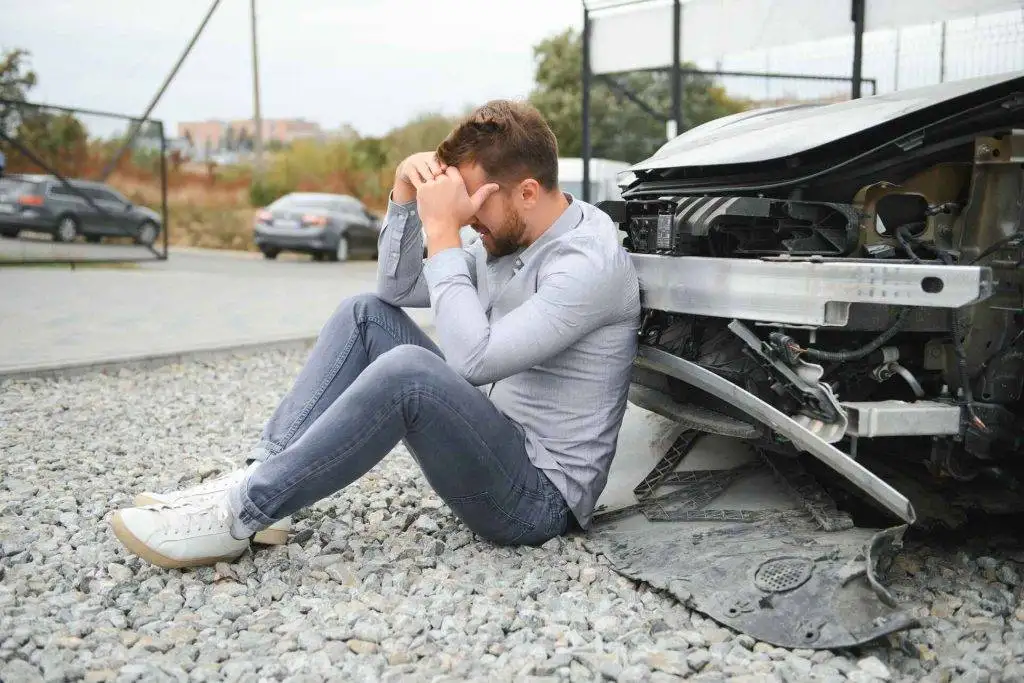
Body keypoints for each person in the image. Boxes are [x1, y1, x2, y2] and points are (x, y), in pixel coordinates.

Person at [110, 100, 641, 569]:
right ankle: (260, 481)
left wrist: (442, 233)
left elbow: (473, 360)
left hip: (536, 501)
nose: (467, 219)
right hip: (497, 434)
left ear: (527, 191)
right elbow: (395, 287)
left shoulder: (584, 263)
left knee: (408, 374)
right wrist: (406, 197)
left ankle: (239, 514)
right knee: (364, 313)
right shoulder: (508, 228)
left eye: (474, 206)